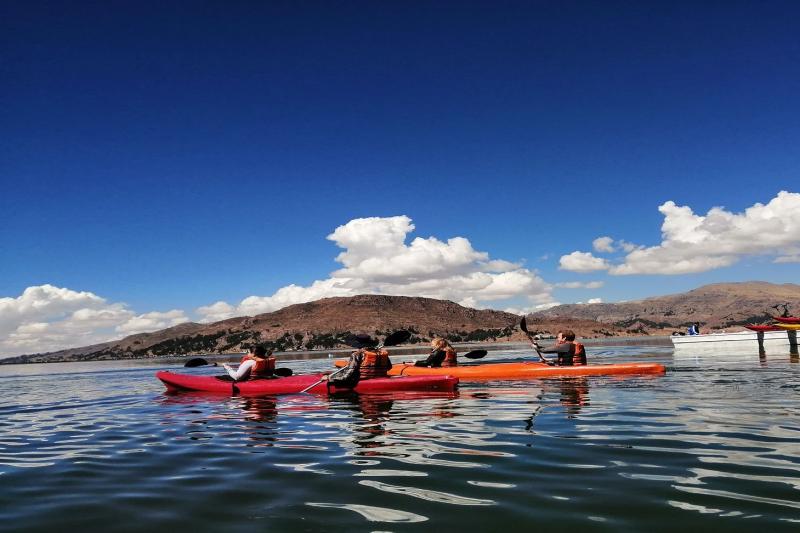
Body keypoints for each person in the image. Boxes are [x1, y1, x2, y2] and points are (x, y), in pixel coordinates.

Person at [325, 345, 392, 387]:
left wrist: (330, 378)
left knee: (351, 372)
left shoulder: (357, 354)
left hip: (364, 379)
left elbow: (349, 373)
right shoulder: (382, 353)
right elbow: (389, 367)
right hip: (381, 377)